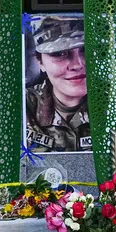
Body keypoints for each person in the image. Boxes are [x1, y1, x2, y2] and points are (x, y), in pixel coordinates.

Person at [25, 17, 91, 151]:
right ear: (40, 62)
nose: (77, 65)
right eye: (59, 54)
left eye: (85, 50)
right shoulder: (22, 107)